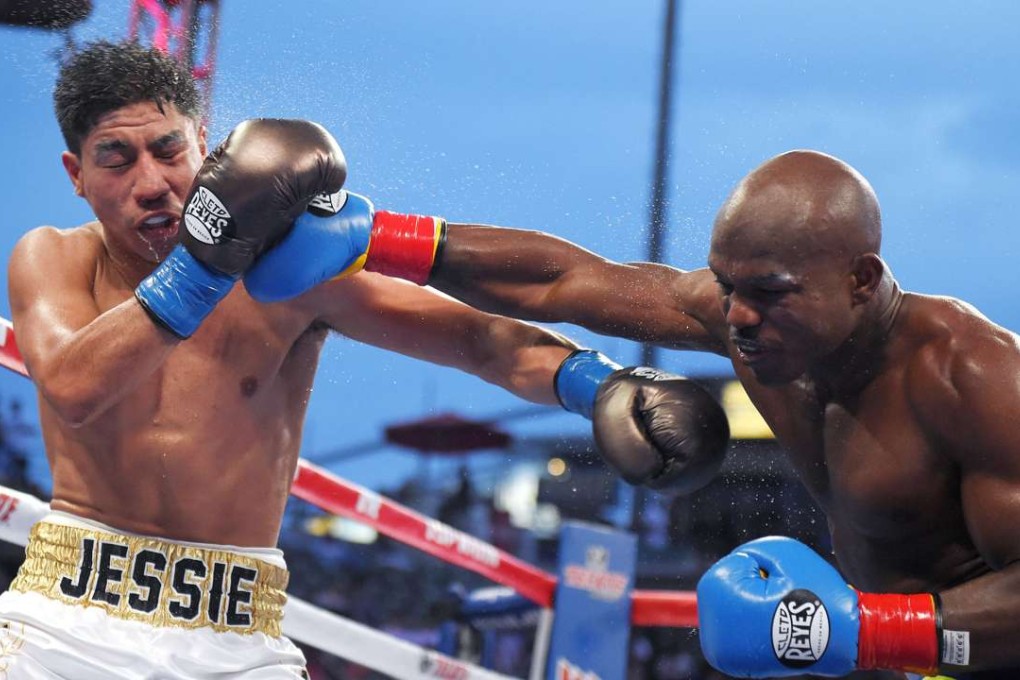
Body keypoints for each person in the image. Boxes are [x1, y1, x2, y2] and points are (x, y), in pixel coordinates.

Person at [0, 41, 729, 678]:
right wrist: (207, 262)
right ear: (75, 173)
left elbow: (479, 341)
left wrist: (595, 383)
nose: (151, 183)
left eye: (168, 151)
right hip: (67, 621)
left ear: (203, 142)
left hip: (234, 634)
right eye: (115, 159)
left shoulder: (291, 271)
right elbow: (73, 386)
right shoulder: (54, 258)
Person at [278, 149, 1020, 679]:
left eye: (769, 291)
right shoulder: (753, 328)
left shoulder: (975, 378)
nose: (738, 315)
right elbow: (567, 281)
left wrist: (862, 630)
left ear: (861, 279)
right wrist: (378, 239)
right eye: (726, 286)